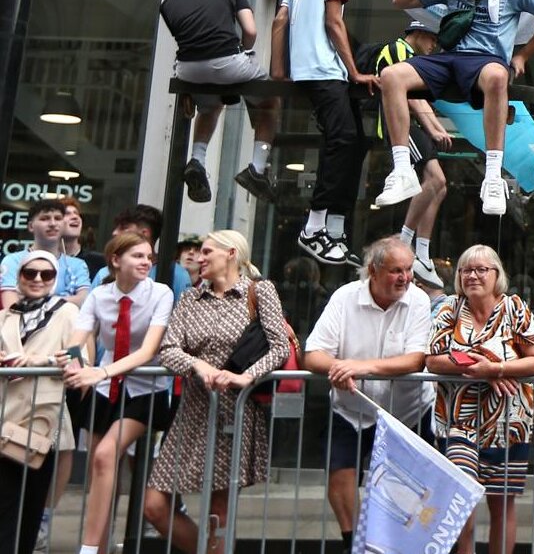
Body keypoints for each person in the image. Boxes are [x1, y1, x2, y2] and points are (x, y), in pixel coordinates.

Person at [377, 0, 534, 217]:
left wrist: (522, 56)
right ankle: (402, 171)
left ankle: (493, 177)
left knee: (498, 76)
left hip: (486, 60)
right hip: (449, 58)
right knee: (391, 75)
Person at [143, 230, 291, 554]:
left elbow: (280, 347)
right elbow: (168, 349)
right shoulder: (190, 298)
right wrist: (197, 365)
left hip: (234, 411)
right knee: (154, 505)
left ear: (232, 254)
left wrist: (245, 377)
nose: (200, 258)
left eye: (208, 252)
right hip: (193, 410)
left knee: (218, 514)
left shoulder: (259, 291)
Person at [304, 236, 435, 554]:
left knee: (408, 491)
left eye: (408, 269)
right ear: (373, 271)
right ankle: (355, 544)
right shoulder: (345, 297)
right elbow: (313, 354)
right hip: (351, 409)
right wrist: (338, 368)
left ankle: (398, 546)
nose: (405, 278)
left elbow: (416, 359)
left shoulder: (418, 300)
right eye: (396, 271)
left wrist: (359, 367)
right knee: (340, 473)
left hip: (408, 411)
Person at [426, 245, 534, 554]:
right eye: (466, 270)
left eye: (481, 269)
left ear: (497, 275)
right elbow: (433, 360)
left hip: (510, 424)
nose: (473, 275)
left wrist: (496, 368)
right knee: (461, 497)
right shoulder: (450, 308)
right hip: (458, 422)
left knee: (502, 503)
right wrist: (481, 367)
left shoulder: (514, 308)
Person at [63, 231, 175, 554]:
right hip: (104, 390)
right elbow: (76, 340)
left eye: (149, 257)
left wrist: (101, 371)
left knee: (104, 455)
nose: (146, 262)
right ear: (115, 260)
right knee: (100, 468)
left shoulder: (161, 293)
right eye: (137, 256)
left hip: (144, 390)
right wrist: (75, 364)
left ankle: (87, 549)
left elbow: (148, 351)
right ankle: (100, 547)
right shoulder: (100, 295)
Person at [271, 0, 376, 265]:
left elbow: (280, 20)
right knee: (343, 139)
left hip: (308, 70)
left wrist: (278, 72)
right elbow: (334, 21)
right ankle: (314, 226)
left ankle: (335, 228)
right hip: (324, 69)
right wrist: (354, 71)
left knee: (356, 141)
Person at [160, 0, 279, 204]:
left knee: (210, 107)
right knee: (270, 102)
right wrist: (242, 51)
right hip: (229, 63)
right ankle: (257, 169)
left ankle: (197, 159)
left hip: (187, 71)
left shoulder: (168, 3)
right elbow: (250, 31)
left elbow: (191, 38)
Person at [359, 19, 452, 285]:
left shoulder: (415, 58)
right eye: (433, 38)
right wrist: (433, 129)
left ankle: (421, 252)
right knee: (436, 179)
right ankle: (406, 240)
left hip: (414, 126)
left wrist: (436, 128)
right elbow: (408, 97)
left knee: (440, 187)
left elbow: (419, 98)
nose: (434, 45)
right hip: (401, 127)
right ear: (419, 32)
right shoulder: (398, 50)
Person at [0, 251, 80, 554]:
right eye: (30, 273)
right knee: (5, 507)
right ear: (19, 277)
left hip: (43, 421)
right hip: (6, 418)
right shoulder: (6, 316)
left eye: (46, 274)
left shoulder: (67, 313)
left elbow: (80, 358)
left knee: (31, 509)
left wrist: (41, 360)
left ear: (55, 279)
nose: (37, 279)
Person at [1, 199, 92, 309]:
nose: (53, 224)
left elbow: (84, 301)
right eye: (45, 218)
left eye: (58, 218)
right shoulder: (13, 261)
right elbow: (11, 305)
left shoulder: (78, 265)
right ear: (31, 226)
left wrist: (34, 301)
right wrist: (64, 301)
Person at [59, 196, 106, 276]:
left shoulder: (99, 262)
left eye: (77, 213)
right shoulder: (45, 261)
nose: (75, 217)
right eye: (67, 214)